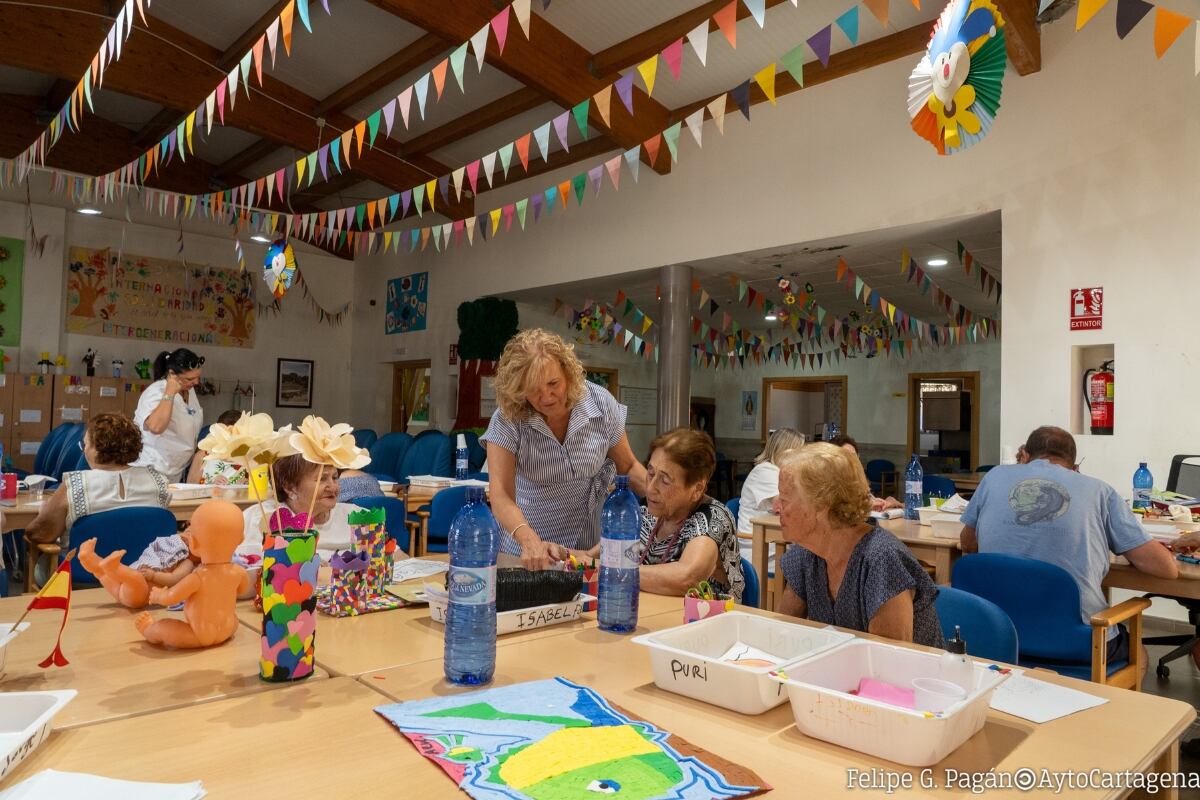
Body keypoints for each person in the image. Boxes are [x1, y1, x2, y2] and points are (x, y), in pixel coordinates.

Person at [960, 426, 1177, 678]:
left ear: (1025, 455)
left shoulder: (994, 477)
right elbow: (1166, 569)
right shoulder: (1099, 491)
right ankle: (1116, 714)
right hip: (1075, 642)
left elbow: (968, 543)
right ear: (1074, 467)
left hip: (997, 632)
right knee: (1137, 651)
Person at [483, 329, 648, 570]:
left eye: (553, 384)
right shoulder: (508, 418)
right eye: (533, 389)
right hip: (529, 552)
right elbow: (501, 496)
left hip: (586, 549)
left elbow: (629, 467)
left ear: (568, 374)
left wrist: (667, 498)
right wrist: (530, 540)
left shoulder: (600, 403)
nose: (546, 396)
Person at [775, 443, 945, 647]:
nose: (776, 508)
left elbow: (888, 663)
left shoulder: (881, 559)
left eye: (784, 500)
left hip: (911, 675)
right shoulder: (807, 553)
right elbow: (781, 634)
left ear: (821, 505)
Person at [578, 428, 743, 601]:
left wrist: (611, 569)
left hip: (707, 622)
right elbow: (591, 558)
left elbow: (687, 578)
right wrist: (559, 554)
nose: (650, 488)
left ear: (697, 489)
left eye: (665, 480)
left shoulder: (712, 519)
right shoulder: (648, 512)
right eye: (650, 473)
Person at [27, 414, 172, 548]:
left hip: (87, 571)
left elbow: (39, 534)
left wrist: (43, 513)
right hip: (143, 572)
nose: (84, 451)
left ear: (97, 449)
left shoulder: (76, 484)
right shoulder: (157, 481)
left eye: (86, 445)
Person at [241, 454, 404, 562]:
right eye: (322, 479)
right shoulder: (264, 518)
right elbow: (255, 571)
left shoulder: (356, 516)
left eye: (334, 477)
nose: (332, 486)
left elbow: (399, 559)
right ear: (290, 487)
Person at [133, 348, 205, 481]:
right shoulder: (156, 392)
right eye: (190, 379)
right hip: (151, 470)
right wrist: (170, 392)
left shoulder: (189, 390)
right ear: (172, 374)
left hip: (175, 471)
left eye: (198, 377)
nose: (196, 383)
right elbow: (155, 427)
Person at [736, 428, 806, 562]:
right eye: (800, 452)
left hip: (775, 542)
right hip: (759, 548)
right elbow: (783, 505)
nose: (802, 458)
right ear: (786, 451)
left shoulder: (781, 472)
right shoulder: (765, 471)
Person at [830, 433, 902, 512]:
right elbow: (839, 510)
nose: (853, 461)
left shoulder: (858, 481)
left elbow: (871, 501)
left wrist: (888, 502)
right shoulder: (829, 485)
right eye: (847, 456)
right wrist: (867, 505)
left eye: (854, 456)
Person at [185, 409, 245, 484]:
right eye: (226, 432)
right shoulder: (203, 455)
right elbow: (190, 486)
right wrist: (210, 483)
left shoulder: (247, 457)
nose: (229, 437)